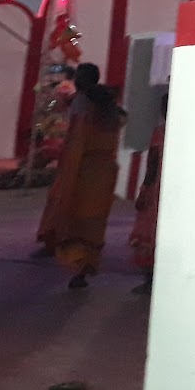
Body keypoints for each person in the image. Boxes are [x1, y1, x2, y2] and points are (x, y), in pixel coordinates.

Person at [38, 63, 126, 289]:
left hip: (83, 169)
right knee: (94, 222)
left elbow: (76, 141)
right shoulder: (111, 106)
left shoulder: (82, 103)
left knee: (73, 215)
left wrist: (65, 167)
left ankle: (75, 264)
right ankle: (85, 268)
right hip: (104, 170)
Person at [128, 95, 168, 296]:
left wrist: (145, 189)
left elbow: (152, 165)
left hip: (158, 192)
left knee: (149, 233)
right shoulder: (188, 134)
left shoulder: (160, 133)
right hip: (176, 193)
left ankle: (150, 279)